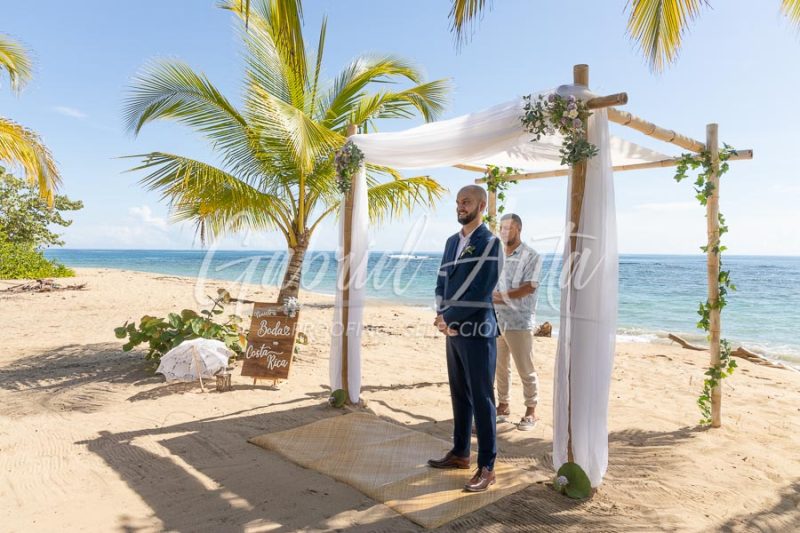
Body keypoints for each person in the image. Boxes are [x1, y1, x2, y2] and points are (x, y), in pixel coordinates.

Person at [428, 185, 502, 493]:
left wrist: (451, 319)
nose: (461, 206)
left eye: (467, 202)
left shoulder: (491, 242)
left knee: (482, 398)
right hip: (452, 330)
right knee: (459, 393)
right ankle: (460, 453)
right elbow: (442, 282)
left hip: (478, 330)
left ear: (481, 206)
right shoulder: (450, 242)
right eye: (458, 202)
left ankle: (487, 467)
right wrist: (441, 316)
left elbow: (482, 289)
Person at [493, 213, 542, 431]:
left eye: (508, 228)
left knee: (525, 368)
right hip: (496, 320)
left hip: (519, 321)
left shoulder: (531, 256)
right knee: (500, 367)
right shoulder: (497, 256)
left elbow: (529, 287)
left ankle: (531, 411)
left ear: (519, 229)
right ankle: (503, 407)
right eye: (501, 228)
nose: (504, 232)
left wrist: (498, 297)